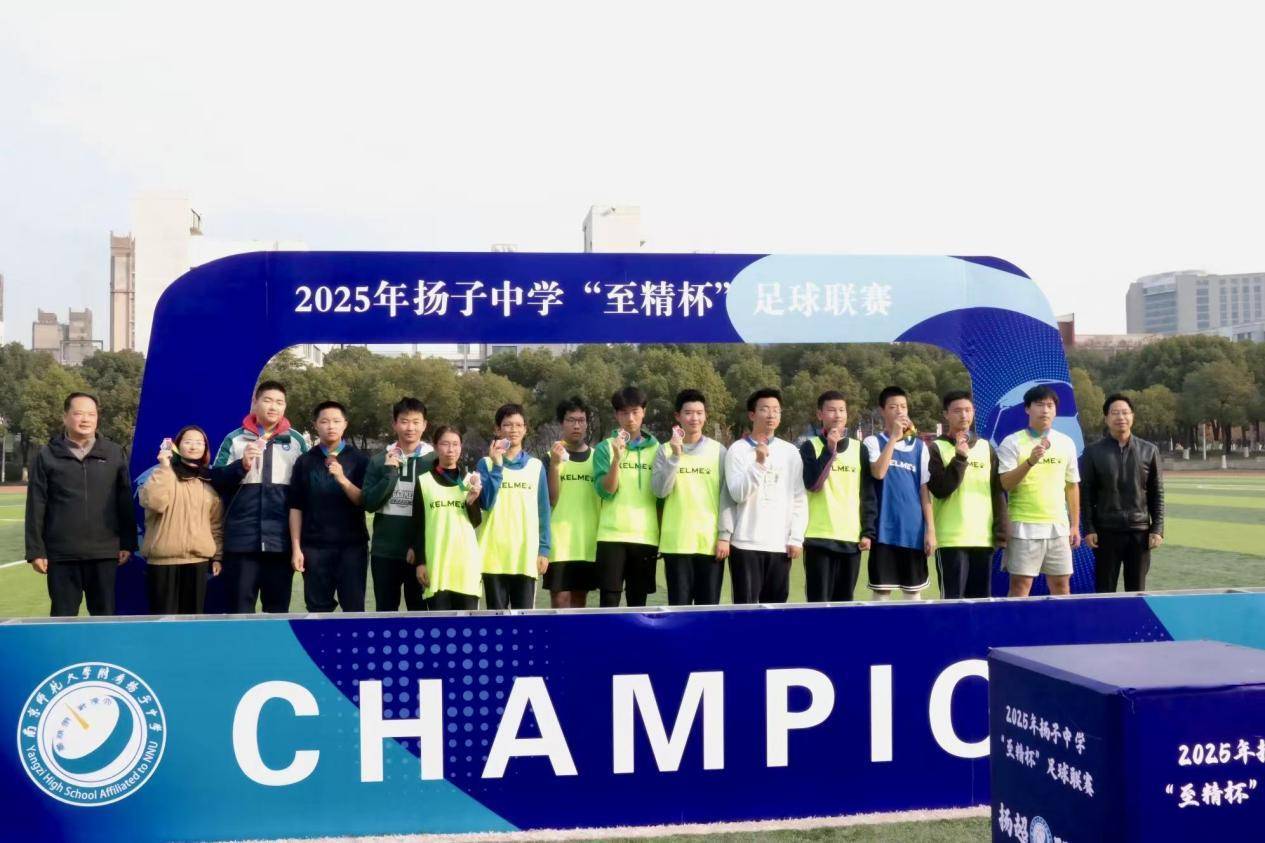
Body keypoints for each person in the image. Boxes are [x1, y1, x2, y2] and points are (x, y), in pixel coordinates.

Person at [25, 392, 136, 617]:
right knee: (63, 618)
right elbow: (36, 504)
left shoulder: (114, 453)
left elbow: (124, 501)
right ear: (65, 417)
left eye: (91, 414)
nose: (85, 419)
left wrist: (127, 542)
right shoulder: (47, 455)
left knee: (105, 617)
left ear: (97, 418)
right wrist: (35, 551)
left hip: (104, 553)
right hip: (62, 554)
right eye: (78, 414)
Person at [212, 380, 309, 613]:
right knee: (239, 611)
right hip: (242, 542)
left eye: (279, 402)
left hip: (280, 543)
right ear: (255, 403)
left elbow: (305, 491)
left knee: (277, 612)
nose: (273, 407)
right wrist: (241, 465)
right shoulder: (235, 439)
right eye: (267, 400)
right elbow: (216, 480)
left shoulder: (296, 441)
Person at [725, 388, 807, 604]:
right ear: (752, 415)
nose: (771, 415)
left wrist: (796, 538)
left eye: (776, 410)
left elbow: (799, 497)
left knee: (776, 610)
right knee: (746, 610)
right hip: (746, 544)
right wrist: (759, 464)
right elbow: (737, 494)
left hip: (780, 545)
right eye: (764, 409)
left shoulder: (790, 452)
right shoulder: (737, 450)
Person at [998, 384, 1081, 597]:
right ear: (1027, 409)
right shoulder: (1012, 442)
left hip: (1058, 528)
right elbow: (1005, 483)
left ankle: (1059, 621)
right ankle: (1017, 622)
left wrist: (1074, 525)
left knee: (1061, 587)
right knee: (1020, 587)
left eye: (1050, 405)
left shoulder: (1066, 443)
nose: (1045, 410)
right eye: (1039, 405)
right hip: (1023, 526)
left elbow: (1072, 485)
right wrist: (1030, 462)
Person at [653, 389, 733, 605]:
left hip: (710, 544)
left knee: (708, 611)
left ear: (705, 416)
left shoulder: (719, 451)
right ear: (678, 416)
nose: (694, 418)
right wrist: (675, 456)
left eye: (699, 413)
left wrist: (724, 536)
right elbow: (660, 491)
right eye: (688, 413)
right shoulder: (664, 450)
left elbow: (726, 496)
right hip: (676, 544)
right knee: (679, 610)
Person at [288, 401, 370, 612]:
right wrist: (296, 548)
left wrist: (342, 478)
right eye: (324, 421)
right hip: (314, 547)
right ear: (316, 425)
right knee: (317, 610)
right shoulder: (305, 461)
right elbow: (296, 507)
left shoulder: (359, 460)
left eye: (336, 421)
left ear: (345, 424)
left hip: (352, 547)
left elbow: (363, 501)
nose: (330, 426)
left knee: (354, 609)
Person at [927, 390, 1009, 599]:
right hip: (951, 540)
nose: (963, 415)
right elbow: (940, 489)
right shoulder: (936, 448)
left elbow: (997, 491)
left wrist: (1001, 533)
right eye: (957, 411)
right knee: (953, 604)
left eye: (968, 410)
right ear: (946, 414)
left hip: (983, 539)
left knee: (981, 603)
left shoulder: (986, 448)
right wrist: (960, 458)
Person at [1080, 393, 1165, 592]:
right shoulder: (1093, 452)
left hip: (1139, 532)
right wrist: (1089, 528)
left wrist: (1157, 528)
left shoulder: (1149, 450)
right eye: (1115, 413)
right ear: (1106, 418)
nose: (1121, 417)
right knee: (1104, 590)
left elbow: (1157, 492)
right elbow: (1086, 493)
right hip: (1105, 532)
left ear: (1132, 416)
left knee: (1136, 590)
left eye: (1125, 412)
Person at [138, 425, 224, 614]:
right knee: (162, 621)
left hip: (198, 561)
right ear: (177, 446)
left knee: (192, 622)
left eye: (199, 443)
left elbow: (215, 524)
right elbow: (154, 503)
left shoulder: (209, 481)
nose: (194, 446)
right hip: (163, 562)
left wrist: (217, 556)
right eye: (188, 442)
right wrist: (164, 466)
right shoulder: (162, 474)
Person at [799, 391, 876, 602]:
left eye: (842, 410)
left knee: (845, 604)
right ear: (820, 414)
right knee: (818, 604)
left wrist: (868, 531)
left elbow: (867, 494)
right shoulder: (810, 447)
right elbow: (813, 484)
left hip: (851, 540)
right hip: (818, 537)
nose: (838, 415)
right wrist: (830, 450)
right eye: (832, 410)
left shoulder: (859, 449)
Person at [362, 397, 436, 611]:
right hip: (385, 552)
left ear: (424, 425)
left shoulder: (433, 461)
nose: (410, 427)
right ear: (394, 424)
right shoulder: (379, 460)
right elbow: (369, 503)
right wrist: (390, 472)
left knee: (419, 613)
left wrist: (420, 548)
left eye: (415, 422)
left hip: (421, 554)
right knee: (385, 612)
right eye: (404, 421)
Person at [863, 386, 936, 601]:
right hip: (883, 530)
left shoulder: (920, 447)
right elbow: (878, 472)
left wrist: (930, 530)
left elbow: (924, 491)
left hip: (913, 531)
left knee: (913, 593)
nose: (899, 411)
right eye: (893, 407)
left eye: (903, 406)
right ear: (882, 411)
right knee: (881, 592)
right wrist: (894, 438)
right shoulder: (872, 442)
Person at [592, 387, 662, 607]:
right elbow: (606, 491)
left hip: (646, 536)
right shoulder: (604, 448)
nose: (630, 418)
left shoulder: (658, 449)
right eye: (624, 413)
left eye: (635, 412)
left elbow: (662, 497)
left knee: (637, 602)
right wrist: (616, 459)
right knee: (609, 600)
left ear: (644, 412)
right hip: (611, 536)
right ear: (616, 415)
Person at [476, 403, 551, 609]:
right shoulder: (485, 464)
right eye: (507, 425)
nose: (513, 430)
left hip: (525, 556)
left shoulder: (536, 466)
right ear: (497, 429)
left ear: (525, 429)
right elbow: (486, 503)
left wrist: (544, 550)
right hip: (493, 557)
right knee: (496, 621)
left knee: (524, 622)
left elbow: (543, 511)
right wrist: (497, 465)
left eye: (518, 425)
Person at [411, 426, 484, 611]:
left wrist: (471, 500)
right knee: (440, 625)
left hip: (465, 565)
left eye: (455, 444)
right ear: (435, 446)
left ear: (461, 447)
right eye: (445, 444)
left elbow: (476, 522)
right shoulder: (423, 481)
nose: (451, 449)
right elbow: (417, 526)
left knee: (467, 626)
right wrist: (421, 563)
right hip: (436, 565)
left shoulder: (470, 481)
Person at [543, 397, 601, 608]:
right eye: (570, 420)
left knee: (579, 602)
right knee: (560, 601)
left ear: (587, 424)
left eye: (581, 420)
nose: (576, 425)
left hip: (587, 542)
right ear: (562, 423)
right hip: (558, 542)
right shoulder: (549, 457)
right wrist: (555, 465)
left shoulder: (597, 457)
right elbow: (551, 499)